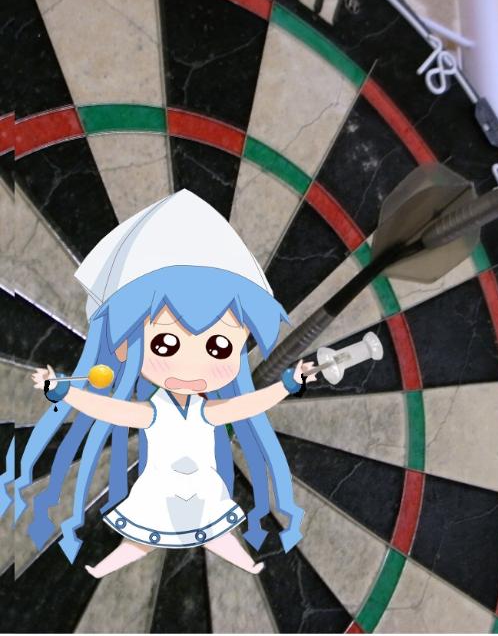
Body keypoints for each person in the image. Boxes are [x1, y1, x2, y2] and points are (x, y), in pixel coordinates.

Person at [15, 189, 314, 577]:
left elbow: (246, 406)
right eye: (166, 343)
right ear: (127, 346)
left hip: (202, 491)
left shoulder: (203, 410)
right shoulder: (156, 411)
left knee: (214, 533)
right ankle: (104, 567)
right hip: (160, 490)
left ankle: (245, 562)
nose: (192, 365)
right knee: (143, 540)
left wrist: (287, 385)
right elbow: (109, 409)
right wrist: (65, 390)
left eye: (219, 346)